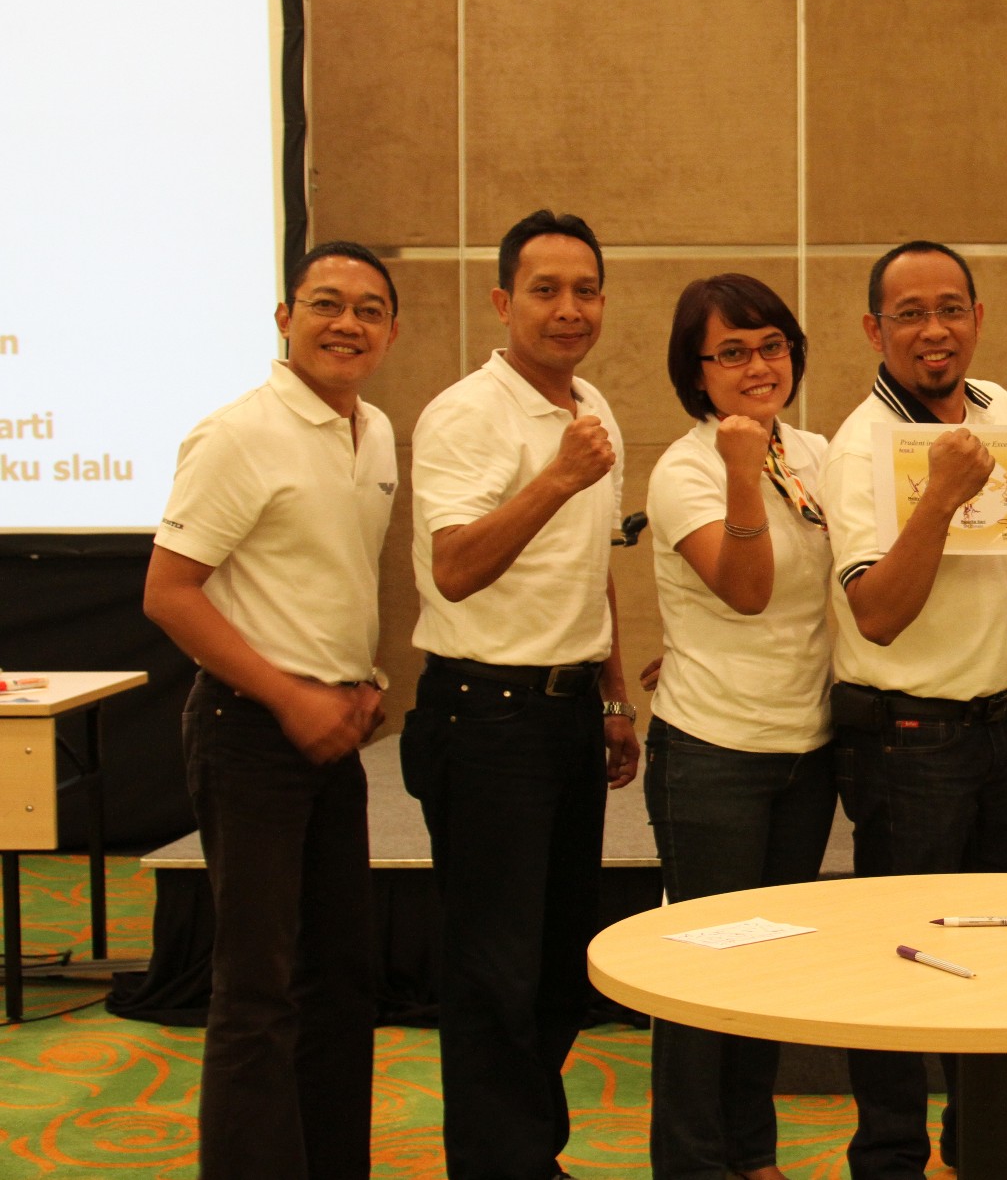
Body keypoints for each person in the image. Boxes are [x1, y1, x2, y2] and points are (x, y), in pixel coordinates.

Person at [819, 240, 1007, 1180]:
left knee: (1005, 948)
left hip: (992, 729)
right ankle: (888, 1156)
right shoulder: (859, 446)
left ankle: (993, 1137)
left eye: (951, 308)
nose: (933, 329)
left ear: (978, 316)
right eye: (909, 313)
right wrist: (936, 496)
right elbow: (876, 612)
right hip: (904, 739)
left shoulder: (996, 407)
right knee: (904, 958)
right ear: (874, 329)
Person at [143, 241, 402, 1179]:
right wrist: (292, 694)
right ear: (286, 317)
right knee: (257, 990)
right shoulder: (239, 433)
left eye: (369, 309)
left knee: (341, 979)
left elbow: (326, 577)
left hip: (331, 732)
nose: (347, 323)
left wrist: (361, 681)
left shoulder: (375, 430)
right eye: (326, 303)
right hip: (250, 730)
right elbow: (168, 593)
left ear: (391, 331)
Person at [399, 209, 642, 1180]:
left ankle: (526, 1154)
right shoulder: (465, 414)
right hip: (483, 715)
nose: (568, 308)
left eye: (585, 289)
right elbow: (455, 568)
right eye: (545, 290)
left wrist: (613, 697)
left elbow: (591, 567)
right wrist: (556, 478)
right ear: (503, 302)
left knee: (553, 964)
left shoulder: (592, 406)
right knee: (493, 972)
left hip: (566, 713)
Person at [642, 273, 836, 1180]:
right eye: (731, 352)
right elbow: (748, 591)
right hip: (712, 750)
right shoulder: (684, 469)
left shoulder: (819, 453)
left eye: (771, 345)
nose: (757, 366)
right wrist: (739, 469)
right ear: (697, 371)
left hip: (808, 746)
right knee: (703, 973)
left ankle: (752, 1156)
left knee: (769, 969)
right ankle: (690, 1164)